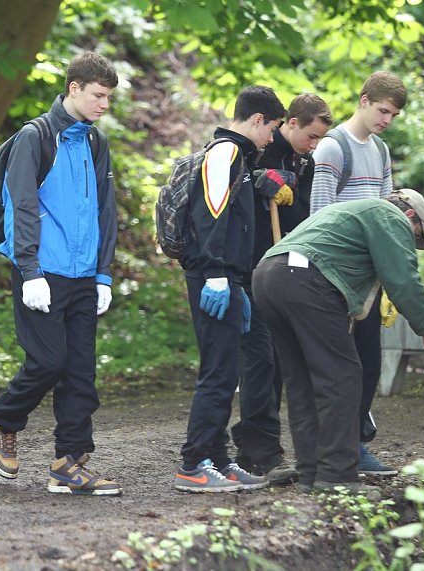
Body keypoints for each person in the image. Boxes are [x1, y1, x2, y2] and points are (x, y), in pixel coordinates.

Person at [0, 51, 123, 496]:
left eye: (109, 97)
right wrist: (30, 270)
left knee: (81, 372)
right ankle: (5, 420)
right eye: (98, 95)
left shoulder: (95, 142)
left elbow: (105, 211)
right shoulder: (36, 137)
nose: (104, 104)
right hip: (43, 272)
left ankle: (69, 463)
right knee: (48, 361)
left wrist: (103, 273)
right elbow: (21, 206)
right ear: (74, 89)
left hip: (85, 275)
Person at [252, 190, 424, 493]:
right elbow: (403, 278)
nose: (413, 241)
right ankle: (337, 477)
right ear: (410, 216)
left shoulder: (355, 213)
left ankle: (312, 473)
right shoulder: (390, 216)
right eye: (416, 235)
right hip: (305, 279)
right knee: (341, 376)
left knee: (303, 380)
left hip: (268, 274)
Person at [173, 85, 289, 493]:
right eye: (272, 128)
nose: (272, 138)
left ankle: (219, 459)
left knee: (231, 368)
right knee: (218, 371)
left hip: (230, 277)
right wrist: (218, 274)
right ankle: (194, 462)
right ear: (257, 119)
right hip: (212, 278)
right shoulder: (223, 153)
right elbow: (211, 215)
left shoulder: (238, 156)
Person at [309, 71, 407, 476]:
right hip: (335, 278)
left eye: (393, 115)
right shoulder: (333, 148)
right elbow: (318, 216)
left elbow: (385, 215)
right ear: (364, 100)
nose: (386, 119)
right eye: (382, 110)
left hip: (369, 279)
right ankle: (338, 449)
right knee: (341, 368)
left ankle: (356, 442)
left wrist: (387, 274)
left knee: (368, 363)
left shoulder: (381, 150)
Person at [231, 94, 332, 485]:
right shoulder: (260, 149)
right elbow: (235, 188)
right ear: (289, 123)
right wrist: (260, 182)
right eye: (310, 136)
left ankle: (262, 448)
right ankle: (258, 451)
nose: (314, 145)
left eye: (320, 139)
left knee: (276, 362)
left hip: (286, 274)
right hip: (254, 271)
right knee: (260, 363)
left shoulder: (301, 161)